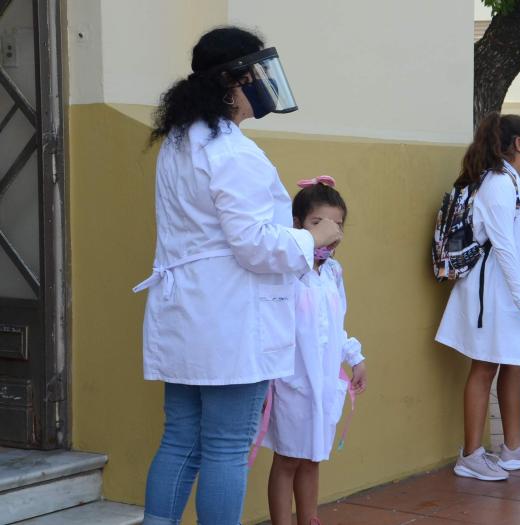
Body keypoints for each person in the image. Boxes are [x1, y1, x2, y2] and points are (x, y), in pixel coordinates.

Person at [134, 27, 342, 524]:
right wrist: (312, 239)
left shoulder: (181, 142)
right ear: (235, 82)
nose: (265, 86)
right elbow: (255, 244)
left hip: (186, 316)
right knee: (227, 447)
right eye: (257, 75)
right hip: (230, 324)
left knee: (181, 438)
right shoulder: (233, 152)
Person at [436, 113, 520, 481]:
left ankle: (513, 447)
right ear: (519, 143)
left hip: (511, 291)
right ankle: (471, 454)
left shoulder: (513, 180)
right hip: (496, 293)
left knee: (512, 361)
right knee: (485, 365)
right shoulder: (498, 183)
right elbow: (503, 246)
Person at [264, 178, 368, 525]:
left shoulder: (333, 273)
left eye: (337, 224)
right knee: (288, 459)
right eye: (317, 223)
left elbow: (337, 325)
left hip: (323, 383)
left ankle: (309, 519)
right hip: (292, 381)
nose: (329, 232)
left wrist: (354, 356)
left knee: (312, 457)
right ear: (297, 226)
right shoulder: (289, 274)